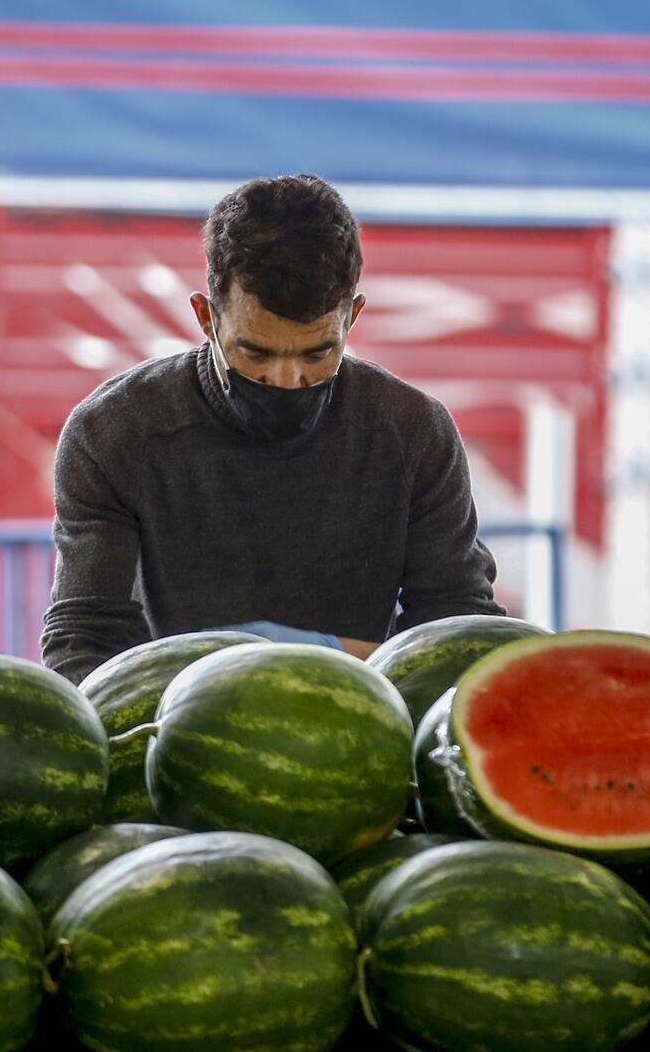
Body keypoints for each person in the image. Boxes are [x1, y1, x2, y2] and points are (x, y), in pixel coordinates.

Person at [40, 173, 503, 684]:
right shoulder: (114, 433)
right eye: (255, 352)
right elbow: (85, 639)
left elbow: (456, 627)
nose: (286, 380)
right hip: (165, 730)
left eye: (318, 352)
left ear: (353, 317)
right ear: (205, 317)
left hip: (366, 724)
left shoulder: (414, 433)